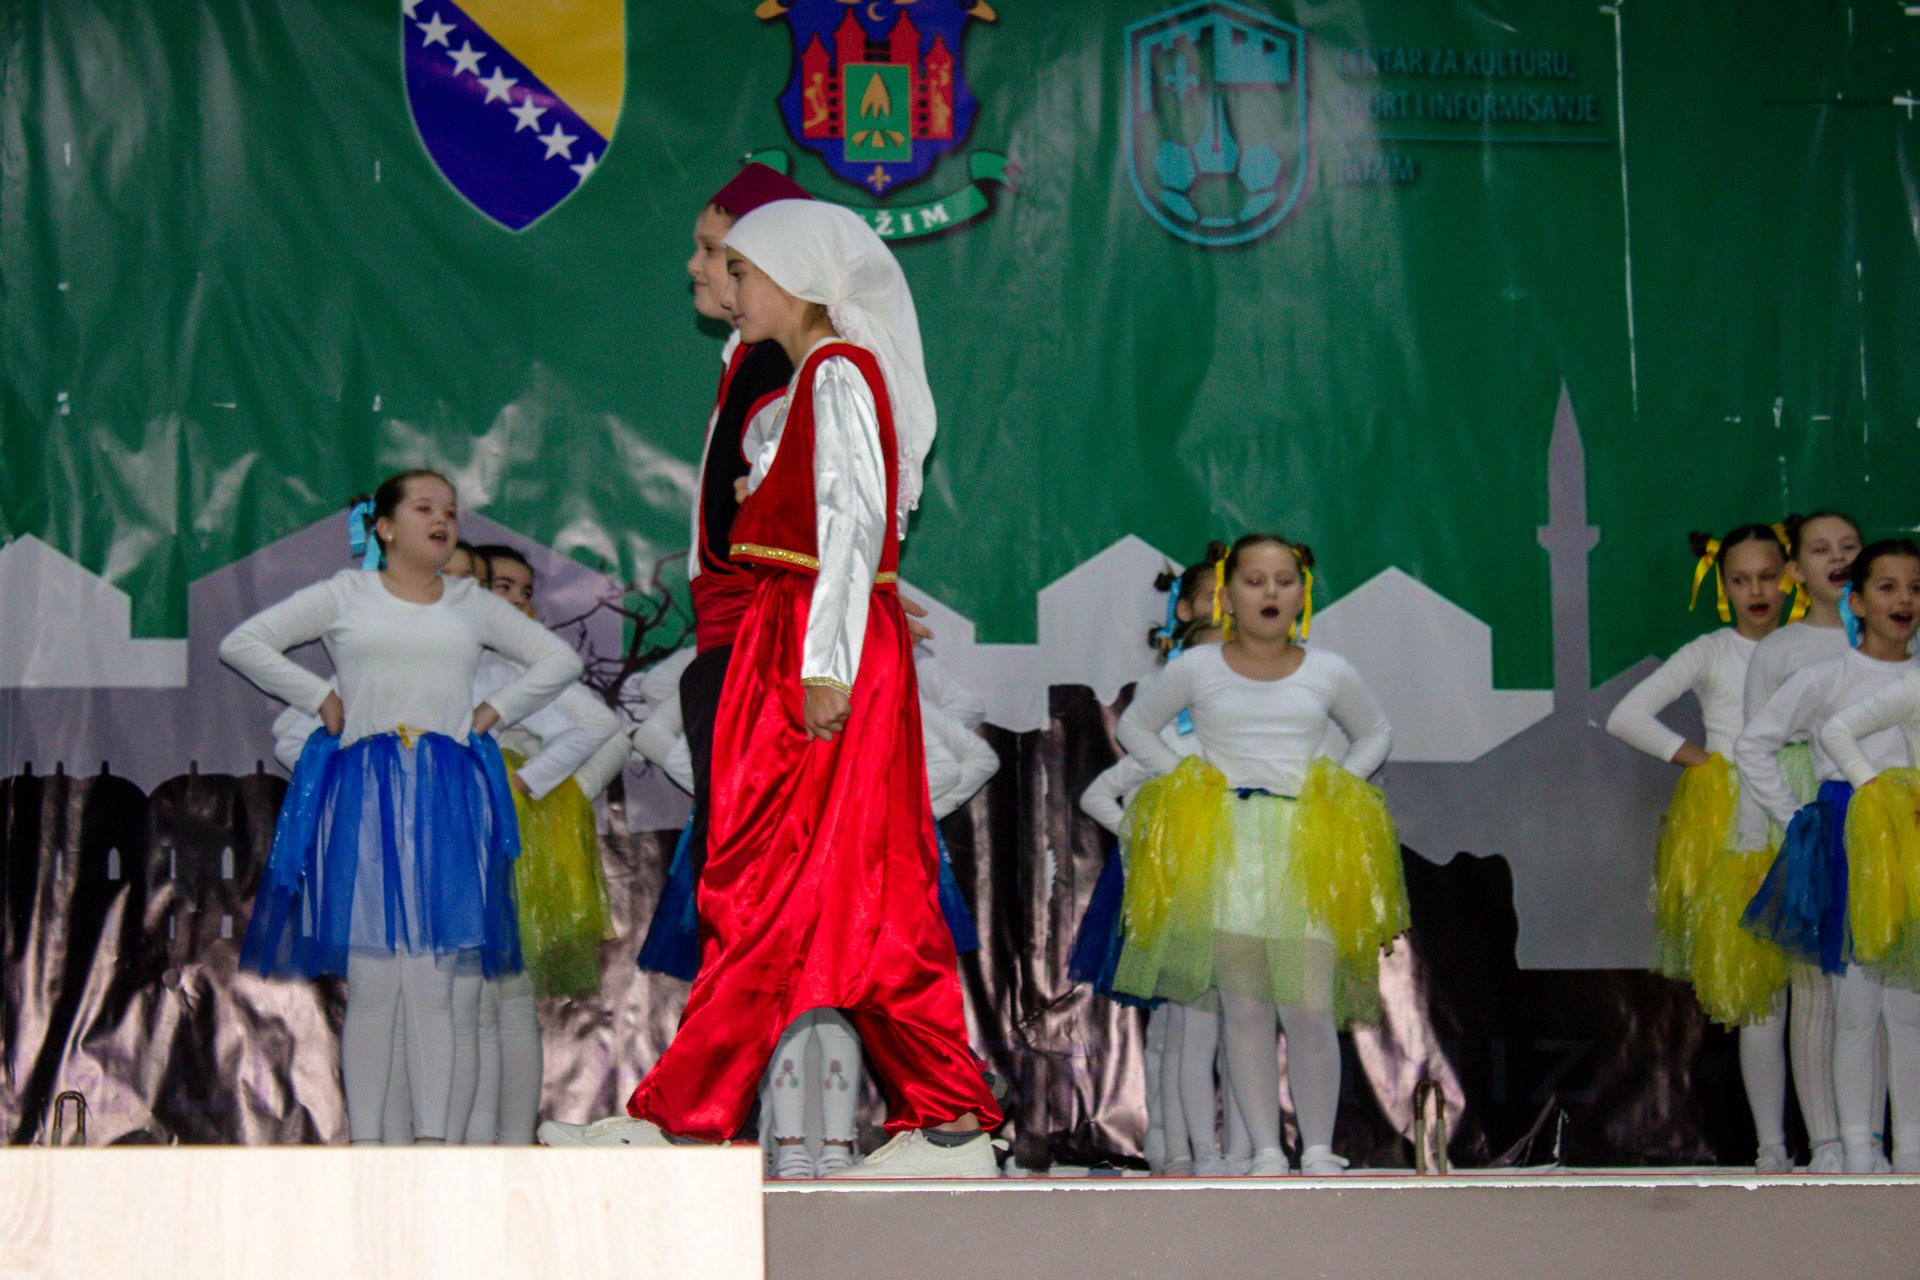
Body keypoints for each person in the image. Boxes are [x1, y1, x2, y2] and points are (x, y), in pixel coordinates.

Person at [540, 198, 1002, 1177]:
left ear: (797, 275)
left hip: (807, 645)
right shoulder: (807, 383)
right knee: (853, 891)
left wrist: (826, 663)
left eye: (741, 270)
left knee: (768, 882)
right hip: (786, 634)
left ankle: (687, 1115)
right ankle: (949, 1121)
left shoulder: (836, 370)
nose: (726, 287)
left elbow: (852, 520)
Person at [220, 469, 581, 1145]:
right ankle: (369, 1149)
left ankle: (435, 1148)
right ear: (384, 527)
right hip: (367, 793)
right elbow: (242, 643)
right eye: (424, 508)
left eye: (450, 510)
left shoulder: (470, 603)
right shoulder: (346, 594)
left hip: (449, 795)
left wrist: (492, 712)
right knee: (375, 986)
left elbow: (557, 660)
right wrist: (320, 699)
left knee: (440, 985)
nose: (441, 519)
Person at [1111, 534, 1402, 1177]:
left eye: (1284, 580)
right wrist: (1187, 777)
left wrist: (1338, 784)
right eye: (1254, 580)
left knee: (1308, 1005)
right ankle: (1267, 1149)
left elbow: (1375, 731)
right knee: (1244, 1009)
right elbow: (1135, 725)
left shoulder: (1329, 670)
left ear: (1301, 594)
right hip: (1227, 848)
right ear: (1227, 596)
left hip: (1305, 846)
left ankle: (1318, 1147)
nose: (1270, 592)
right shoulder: (1196, 668)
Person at [1604, 525, 1794, 1171]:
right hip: (1739, 817)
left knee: (1822, 990)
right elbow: (1626, 715)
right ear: (1723, 586)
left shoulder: (1814, 649)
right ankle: (1772, 1146)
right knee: (1759, 991)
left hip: (1806, 807)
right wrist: (1704, 760)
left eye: (1766, 577)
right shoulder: (1712, 650)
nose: (1755, 591)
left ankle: (1839, 1141)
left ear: (1789, 577)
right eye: (1740, 580)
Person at [1737, 538, 1920, 1172]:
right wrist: (1798, 819)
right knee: (1855, 1005)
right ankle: (1858, 1148)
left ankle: (1912, 1149)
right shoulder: (1827, 677)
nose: (1904, 600)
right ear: (1858, 602)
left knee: (1910, 1005)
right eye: (1888, 587)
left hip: (1912, 843)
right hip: (1850, 839)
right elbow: (1754, 745)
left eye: (1915, 588)